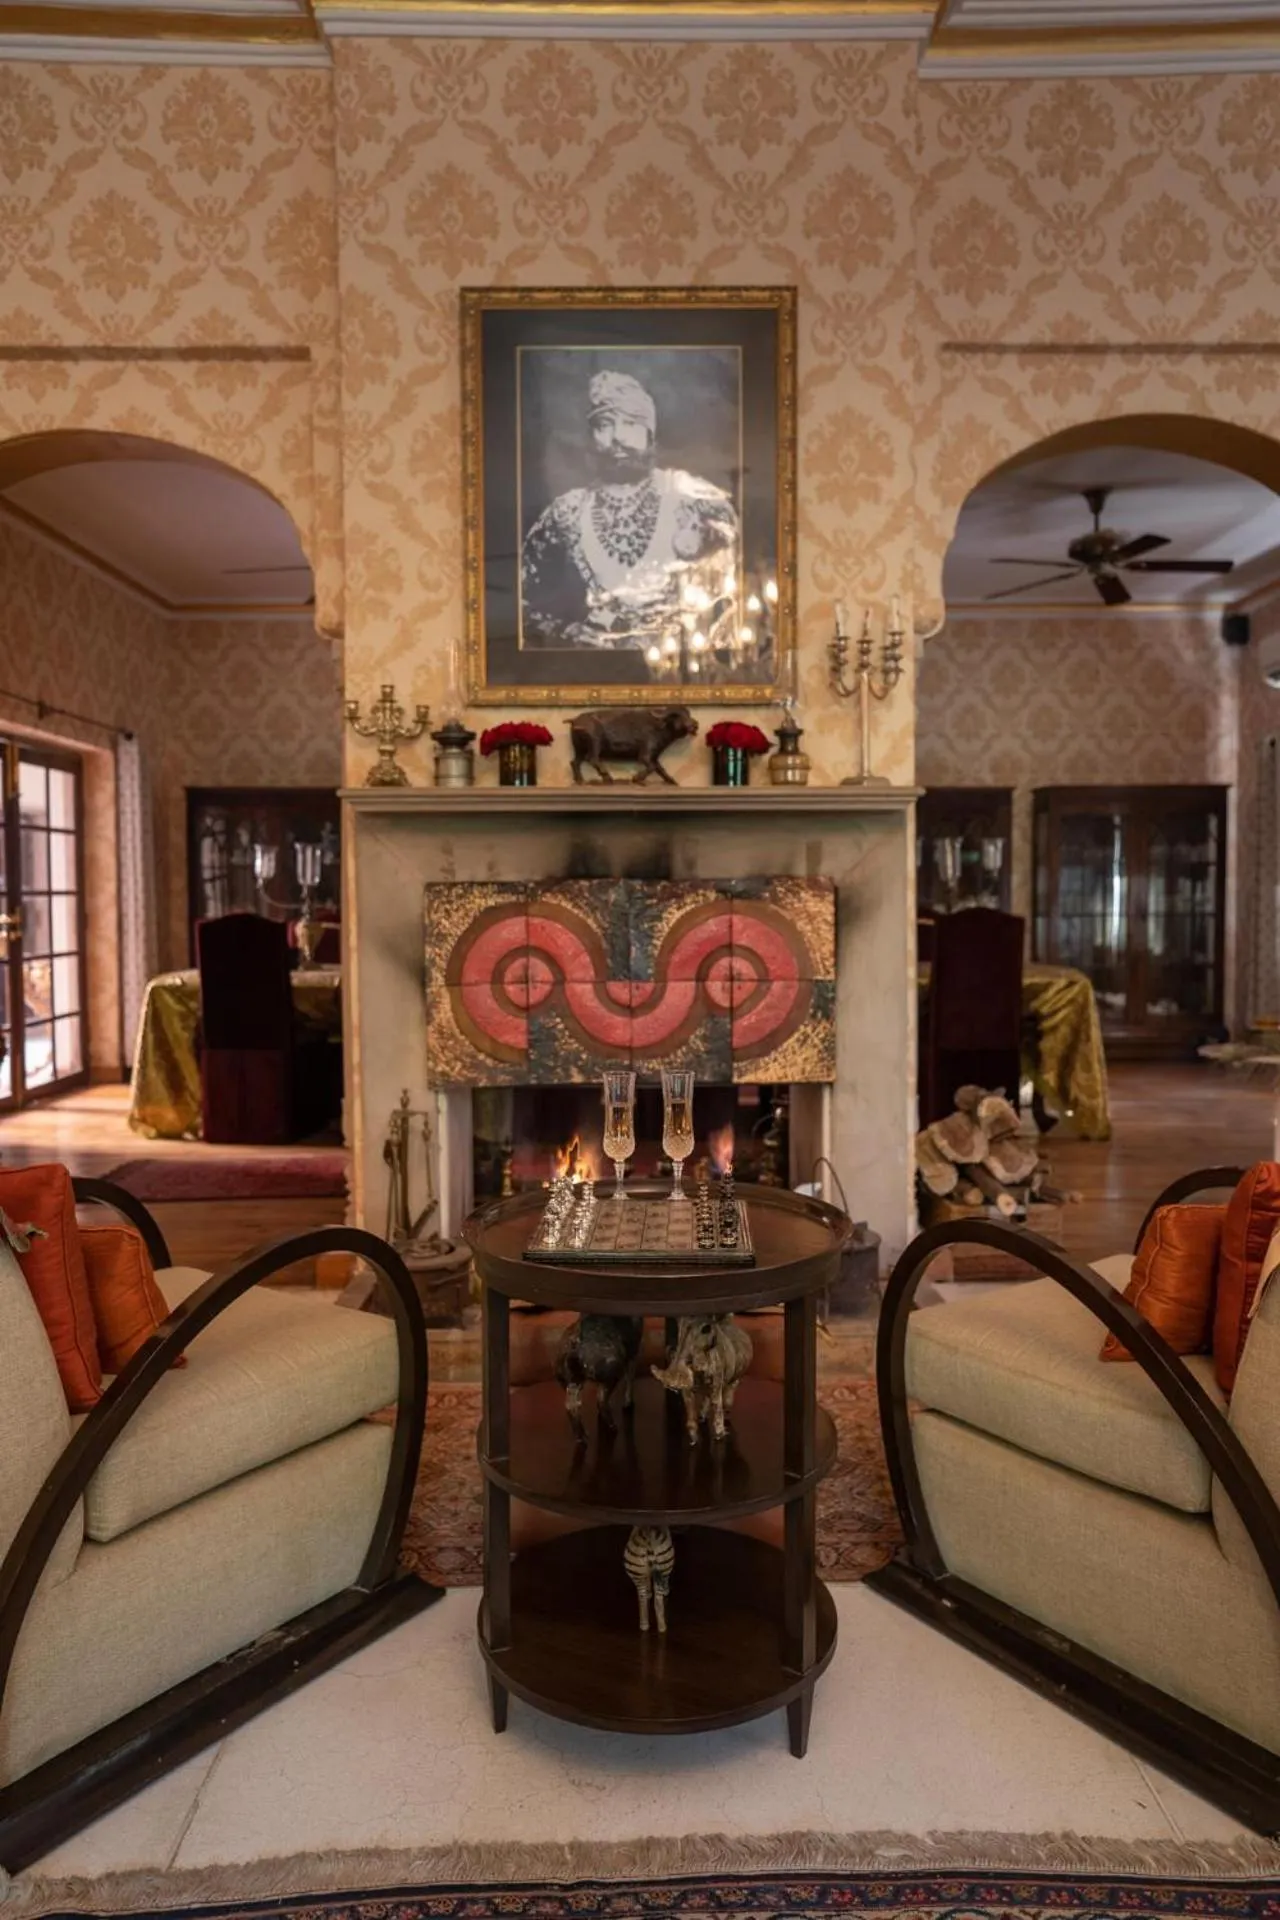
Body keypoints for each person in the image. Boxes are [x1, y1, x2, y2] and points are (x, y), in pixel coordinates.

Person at [521, 369, 740, 659]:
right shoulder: (567, 512)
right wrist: (572, 633)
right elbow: (526, 604)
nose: (618, 438)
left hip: (684, 670)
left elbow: (734, 598)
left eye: (631, 423)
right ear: (591, 437)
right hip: (598, 672)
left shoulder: (695, 499)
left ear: (650, 433)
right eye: (604, 425)